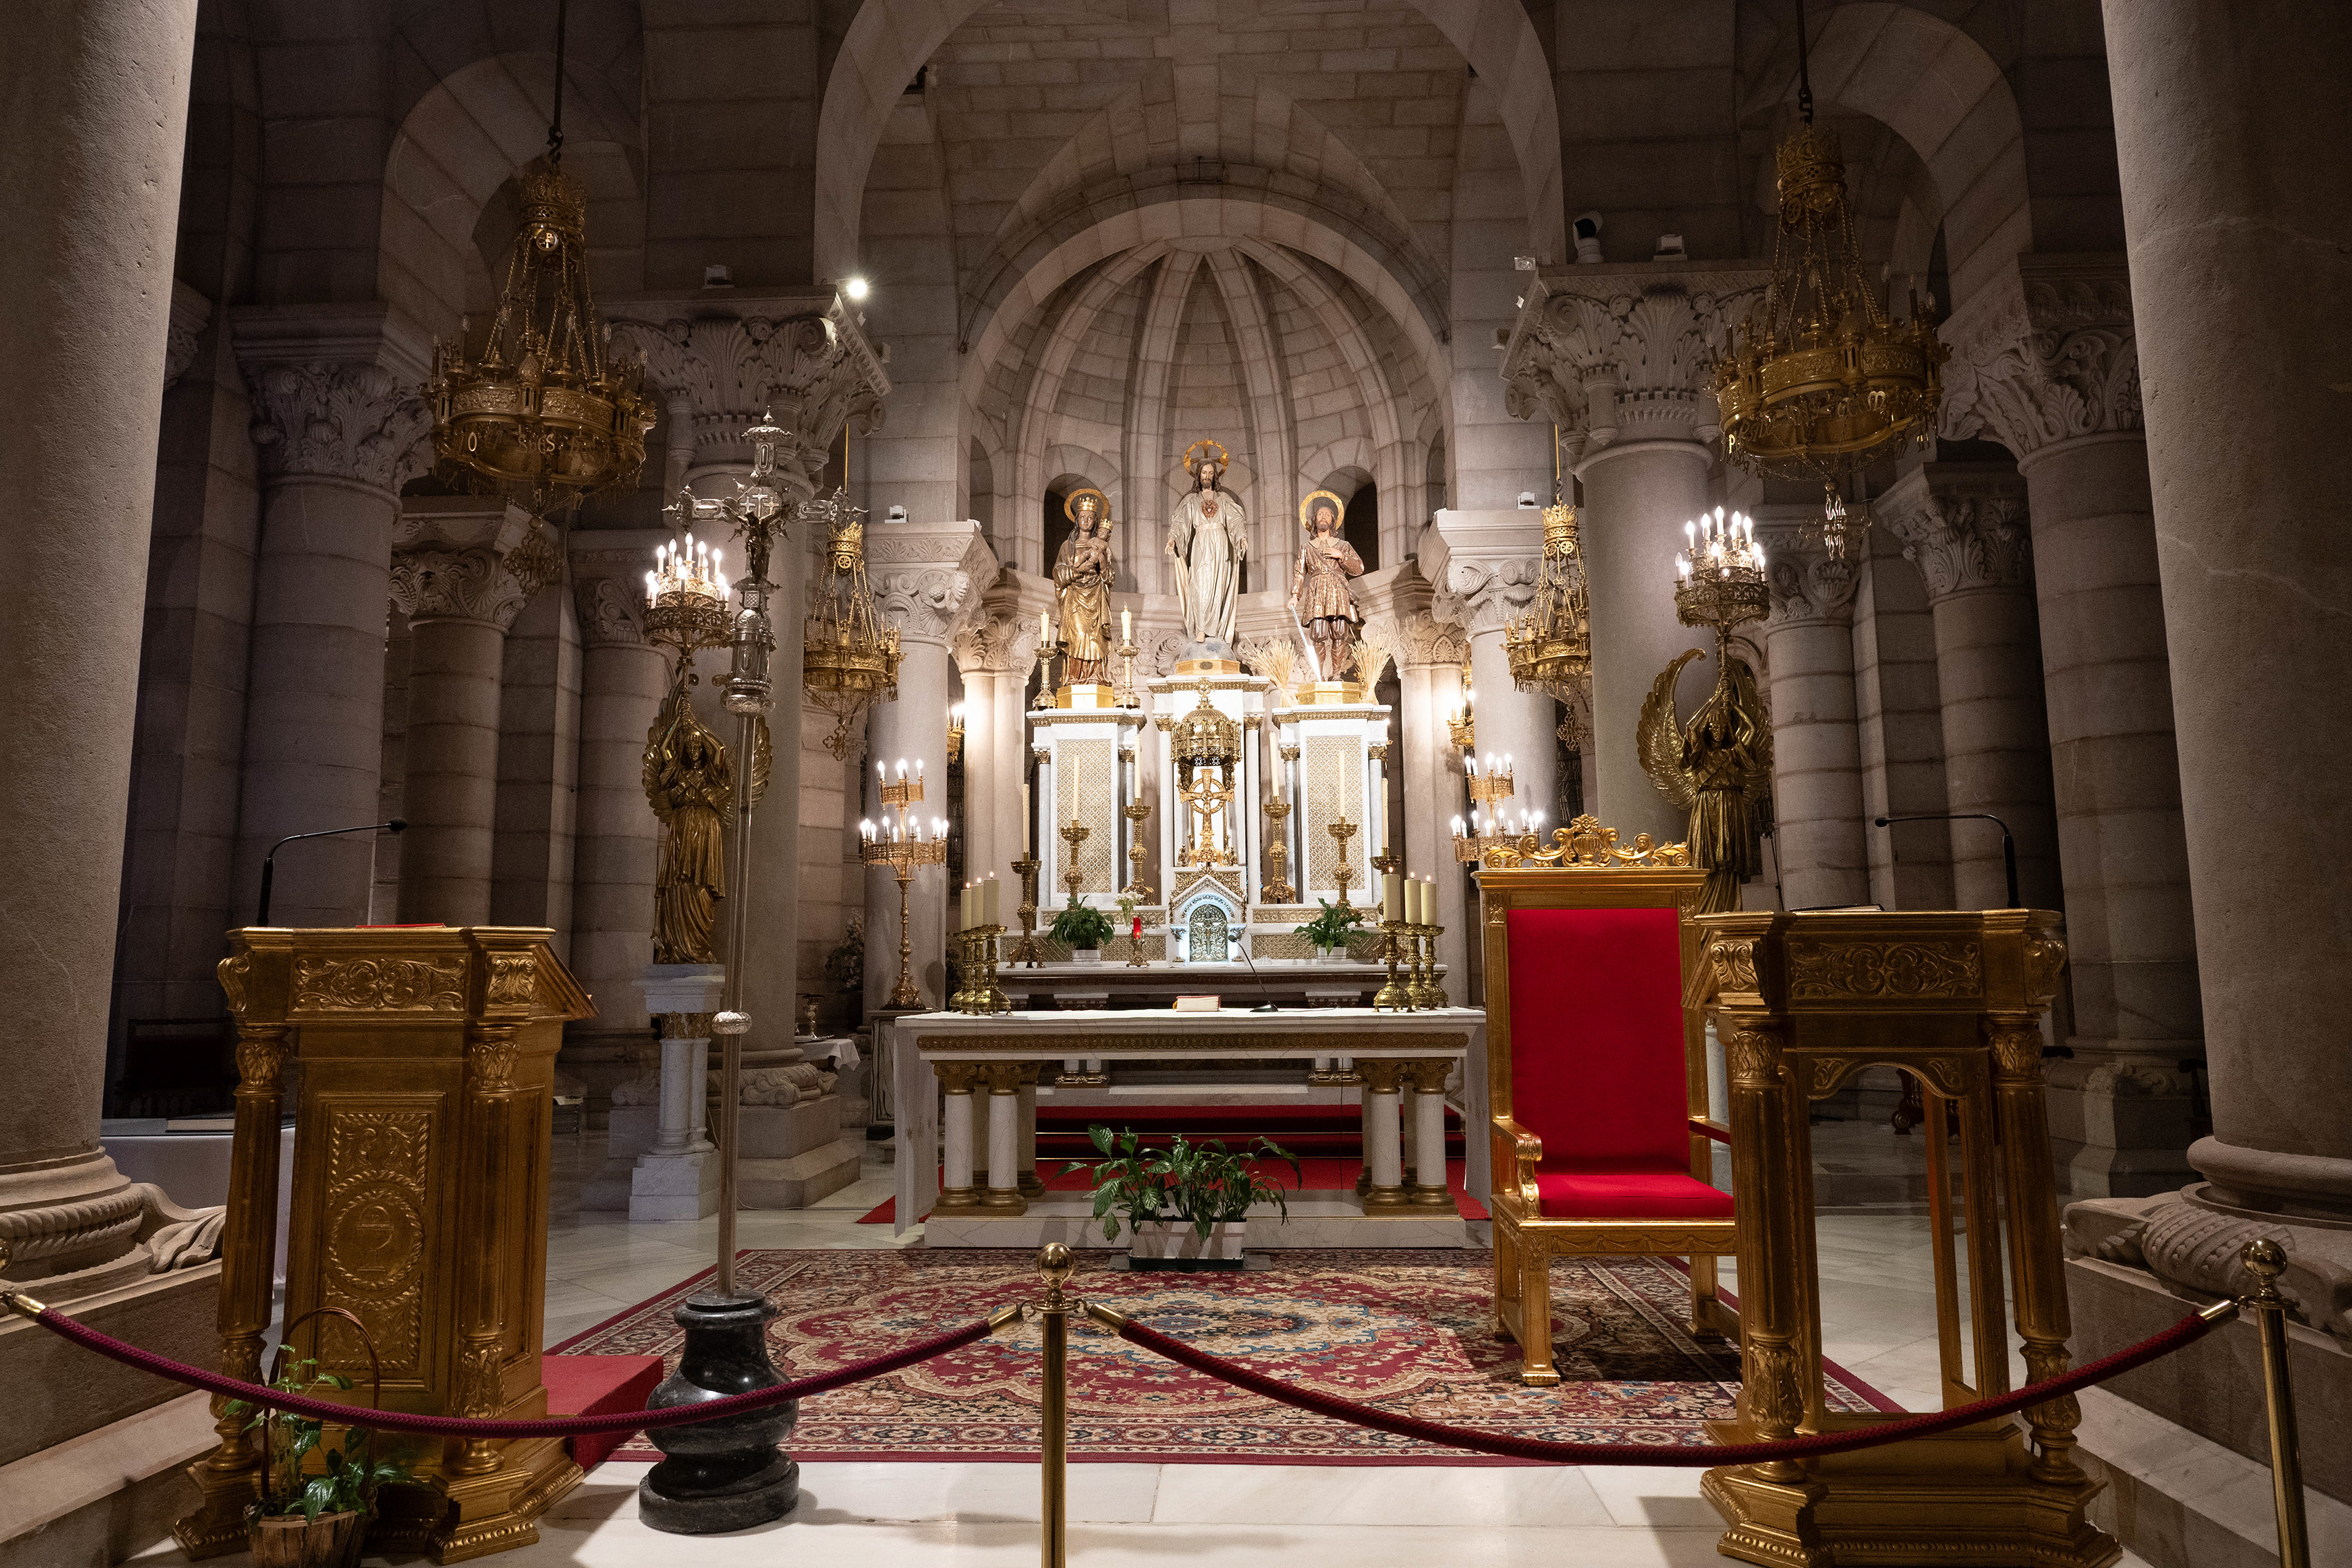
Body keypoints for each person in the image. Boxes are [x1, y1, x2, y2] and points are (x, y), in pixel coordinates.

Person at [1167, 440, 1248, 653]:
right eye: (1204, 472)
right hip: (1201, 546)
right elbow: (1180, 522)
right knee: (1200, 587)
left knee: (1218, 587)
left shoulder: (1224, 499)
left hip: (1220, 546)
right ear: (1198, 475)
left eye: (1211, 473)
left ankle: (1216, 630)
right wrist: (1173, 538)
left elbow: (1236, 521)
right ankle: (1202, 628)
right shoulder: (1191, 501)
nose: (1207, 476)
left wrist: (1241, 537)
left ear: (1215, 476)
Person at [1289, 489, 1365, 681]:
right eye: (1320, 515)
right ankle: (1319, 675)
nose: (1323, 517)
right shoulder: (1306, 548)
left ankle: (1337, 674)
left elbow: (1359, 568)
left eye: (1328, 515)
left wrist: (1342, 556)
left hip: (1338, 590)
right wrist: (1295, 595)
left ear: (1333, 521)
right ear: (1314, 521)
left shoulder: (1343, 545)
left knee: (1339, 632)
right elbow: (1300, 571)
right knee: (1318, 634)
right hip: (1316, 591)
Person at [1052, 489, 1115, 682]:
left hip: (1096, 596)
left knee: (1095, 638)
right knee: (1077, 634)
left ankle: (1096, 676)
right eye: (1083, 517)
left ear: (1095, 521)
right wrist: (1077, 571)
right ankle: (1074, 676)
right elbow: (1058, 573)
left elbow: (1110, 578)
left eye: (1090, 518)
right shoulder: (1067, 546)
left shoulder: (1104, 547)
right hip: (1075, 598)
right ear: (1077, 520)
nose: (1086, 521)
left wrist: (1102, 566)